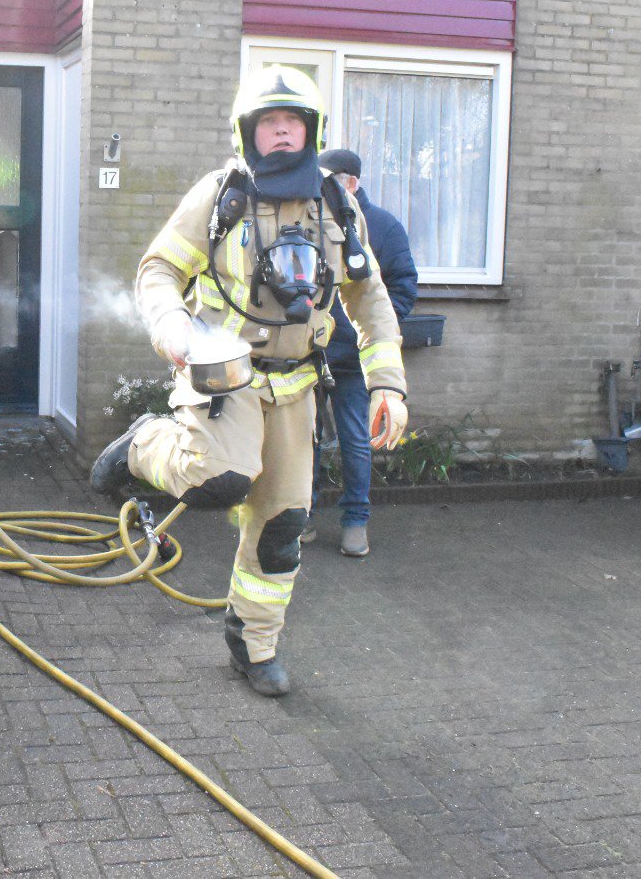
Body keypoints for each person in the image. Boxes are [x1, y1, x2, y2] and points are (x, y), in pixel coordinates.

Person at [89, 66, 409, 697]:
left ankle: (253, 643)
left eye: (292, 121)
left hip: (298, 389)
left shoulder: (337, 205)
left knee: (284, 521)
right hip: (224, 377)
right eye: (269, 122)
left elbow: (369, 300)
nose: (281, 131)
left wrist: (388, 384)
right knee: (218, 479)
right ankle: (144, 445)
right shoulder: (219, 195)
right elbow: (157, 269)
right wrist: (171, 326)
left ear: (310, 130)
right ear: (248, 133)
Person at [307, 148, 418, 557]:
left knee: (356, 439)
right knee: (306, 438)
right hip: (312, 355)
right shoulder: (315, 218)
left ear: (351, 182)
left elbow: (402, 289)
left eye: (330, 178)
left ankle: (356, 522)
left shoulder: (384, 226)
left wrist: (367, 332)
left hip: (355, 362)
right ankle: (303, 516)